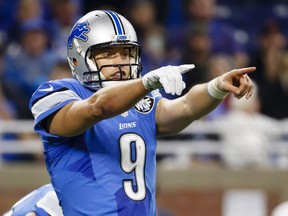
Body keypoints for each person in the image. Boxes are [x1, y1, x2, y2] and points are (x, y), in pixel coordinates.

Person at [29, 10, 255, 215]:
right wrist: (145, 83)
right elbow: (96, 108)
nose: (120, 62)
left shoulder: (143, 99)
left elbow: (186, 107)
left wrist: (215, 87)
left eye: (126, 53)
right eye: (108, 54)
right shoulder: (56, 93)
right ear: (79, 60)